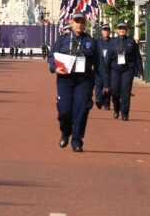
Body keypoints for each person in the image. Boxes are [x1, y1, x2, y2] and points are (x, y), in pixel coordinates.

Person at [47, 12, 97, 152]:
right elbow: (51, 56)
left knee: (81, 110)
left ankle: (77, 140)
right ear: (72, 22)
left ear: (85, 24)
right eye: (77, 21)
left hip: (84, 80)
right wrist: (55, 68)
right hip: (65, 79)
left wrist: (102, 84)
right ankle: (65, 131)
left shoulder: (91, 41)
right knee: (64, 110)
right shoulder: (62, 40)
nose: (79, 24)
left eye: (82, 22)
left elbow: (99, 64)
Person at [106, 21, 144, 121]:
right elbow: (108, 58)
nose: (122, 30)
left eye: (124, 28)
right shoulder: (112, 42)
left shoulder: (131, 42)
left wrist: (141, 70)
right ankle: (116, 109)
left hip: (128, 69)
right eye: (120, 28)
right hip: (115, 69)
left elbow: (137, 57)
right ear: (117, 30)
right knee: (114, 91)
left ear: (126, 30)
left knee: (125, 92)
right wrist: (105, 71)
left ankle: (124, 113)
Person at [94, 23, 112, 109]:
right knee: (98, 84)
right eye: (104, 30)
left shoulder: (113, 42)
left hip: (110, 67)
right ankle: (98, 99)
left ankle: (106, 103)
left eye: (107, 30)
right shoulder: (97, 42)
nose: (106, 32)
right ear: (101, 31)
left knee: (108, 85)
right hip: (99, 67)